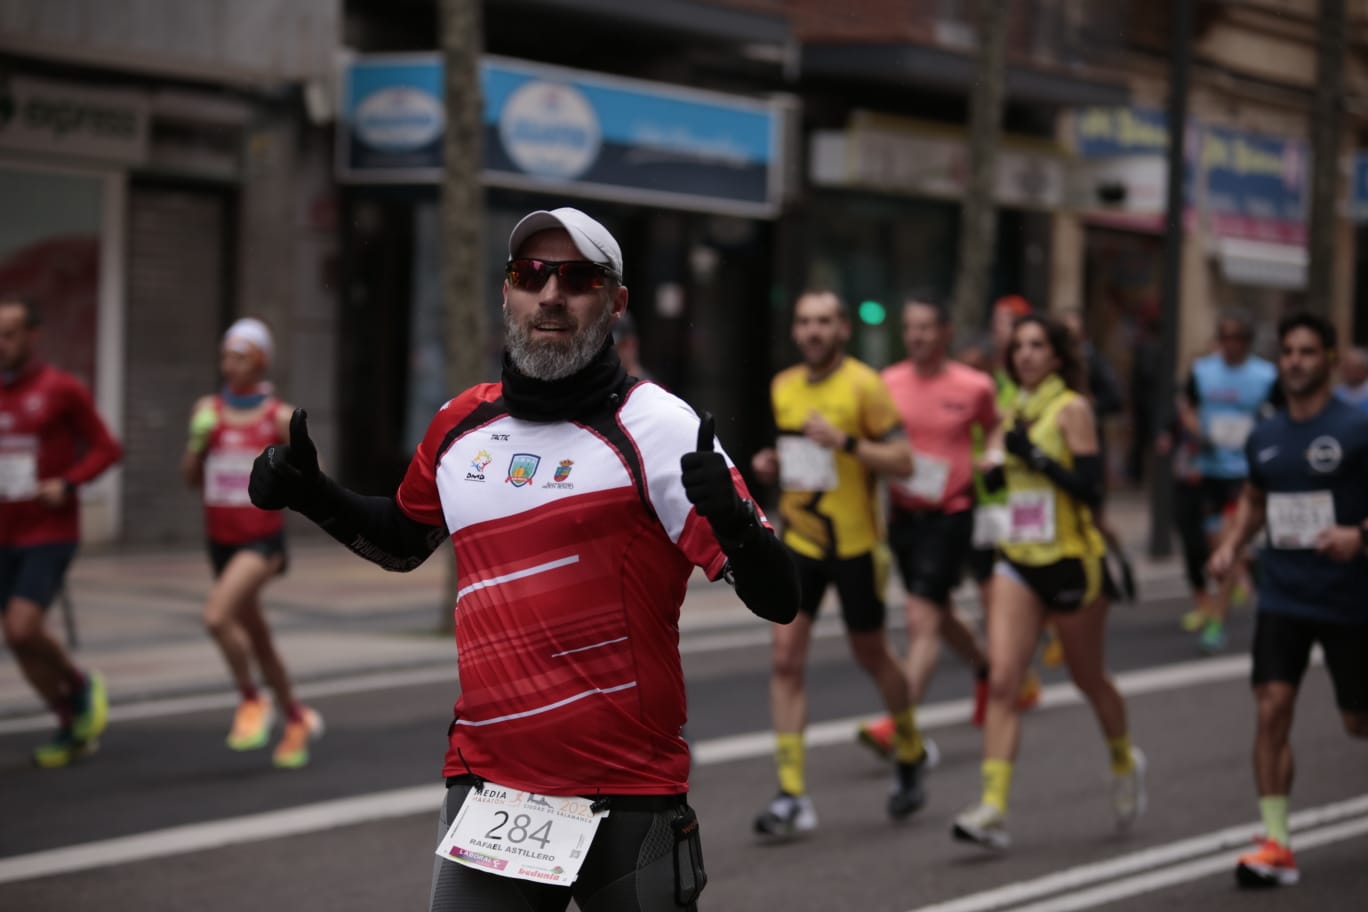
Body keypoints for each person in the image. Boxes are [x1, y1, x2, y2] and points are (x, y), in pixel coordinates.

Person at [248, 206, 798, 911]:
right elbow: (403, 541)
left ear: (616, 301)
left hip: (627, 792)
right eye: (530, 274)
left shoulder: (662, 427)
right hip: (490, 786)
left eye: (577, 278)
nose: (551, 295)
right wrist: (314, 494)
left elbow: (780, 597)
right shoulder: (461, 423)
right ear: (505, 292)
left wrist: (735, 522)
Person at [951, 313, 1145, 851]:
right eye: (1020, 347)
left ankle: (1124, 759)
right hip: (1018, 558)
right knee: (1005, 681)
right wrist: (994, 470)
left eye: (1038, 346)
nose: (1027, 355)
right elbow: (998, 474)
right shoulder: (1011, 407)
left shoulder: (1071, 409)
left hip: (1070, 560)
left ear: (1058, 356)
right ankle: (991, 807)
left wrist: (1036, 459)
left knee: (1088, 679)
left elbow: (1091, 490)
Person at [747, 289, 926, 839]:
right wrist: (770, 464)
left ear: (843, 328)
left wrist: (846, 440)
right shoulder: (783, 386)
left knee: (871, 654)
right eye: (805, 322)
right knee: (785, 660)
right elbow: (798, 457)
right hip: (800, 541)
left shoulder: (865, 386)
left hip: (855, 545)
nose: (813, 331)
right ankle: (792, 793)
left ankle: (910, 748)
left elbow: (903, 461)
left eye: (824, 321)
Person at [1207, 312, 1368, 888]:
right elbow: (1254, 499)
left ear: (1328, 357)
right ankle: (1276, 843)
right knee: (1272, 708)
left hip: (1352, 599)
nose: (1295, 361)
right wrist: (1230, 545)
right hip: (1284, 595)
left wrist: (1359, 535)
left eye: (1307, 352)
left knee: (1357, 722)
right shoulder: (1265, 434)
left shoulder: (1358, 426)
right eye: (1288, 352)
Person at [855, 300, 1035, 761]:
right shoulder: (885, 383)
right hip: (902, 517)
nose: (915, 336)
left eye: (925, 328)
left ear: (945, 332)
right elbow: (870, 438)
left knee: (922, 618)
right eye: (909, 327)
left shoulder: (973, 385)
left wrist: (991, 456)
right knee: (939, 610)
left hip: (952, 513)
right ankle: (985, 668)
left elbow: (995, 428)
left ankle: (900, 724)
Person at [182, 318, 323, 769]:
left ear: (260, 360)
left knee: (217, 616)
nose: (229, 365)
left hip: (262, 542)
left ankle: (251, 701)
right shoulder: (208, 410)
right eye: (225, 355)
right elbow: (190, 480)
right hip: (219, 542)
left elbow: (311, 478)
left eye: (239, 356)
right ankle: (296, 717)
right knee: (258, 638)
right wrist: (198, 443)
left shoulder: (277, 417)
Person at [0, 296, 121, 767]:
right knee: (17, 640)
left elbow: (107, 448)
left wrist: (68, 483)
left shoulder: (61, 389)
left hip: (48, 531)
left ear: (33, 337)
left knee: (22, 625)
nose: (2, 343)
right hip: (3, 534)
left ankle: (80, 684)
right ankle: (69, 720)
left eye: (10, 333)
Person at [1176, 311, 1277, 652]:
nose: (1231, 345)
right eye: (1226, 338)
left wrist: (1263, 441)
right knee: (1208, 543)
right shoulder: (1203, 371)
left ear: (1248, 343)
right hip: (1208, 469)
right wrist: (1197, 431)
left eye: (1239, 339)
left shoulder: (1265, 375)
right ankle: (1247, 567)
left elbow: (1281, 416)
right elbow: (1187, 407)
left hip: (1243, 473)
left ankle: (1217, 620)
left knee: (1226, 545)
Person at [611, 312, 655, 383]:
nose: (612, 352)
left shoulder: (650, 388)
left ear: (632, 344)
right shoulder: (610, 383)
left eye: (618, 347)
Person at [1334, 345, 1368, 410]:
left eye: (1354, 368)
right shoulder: (1335, 395)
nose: (1349, 372)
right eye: (1346, 368)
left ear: (1365, 370)